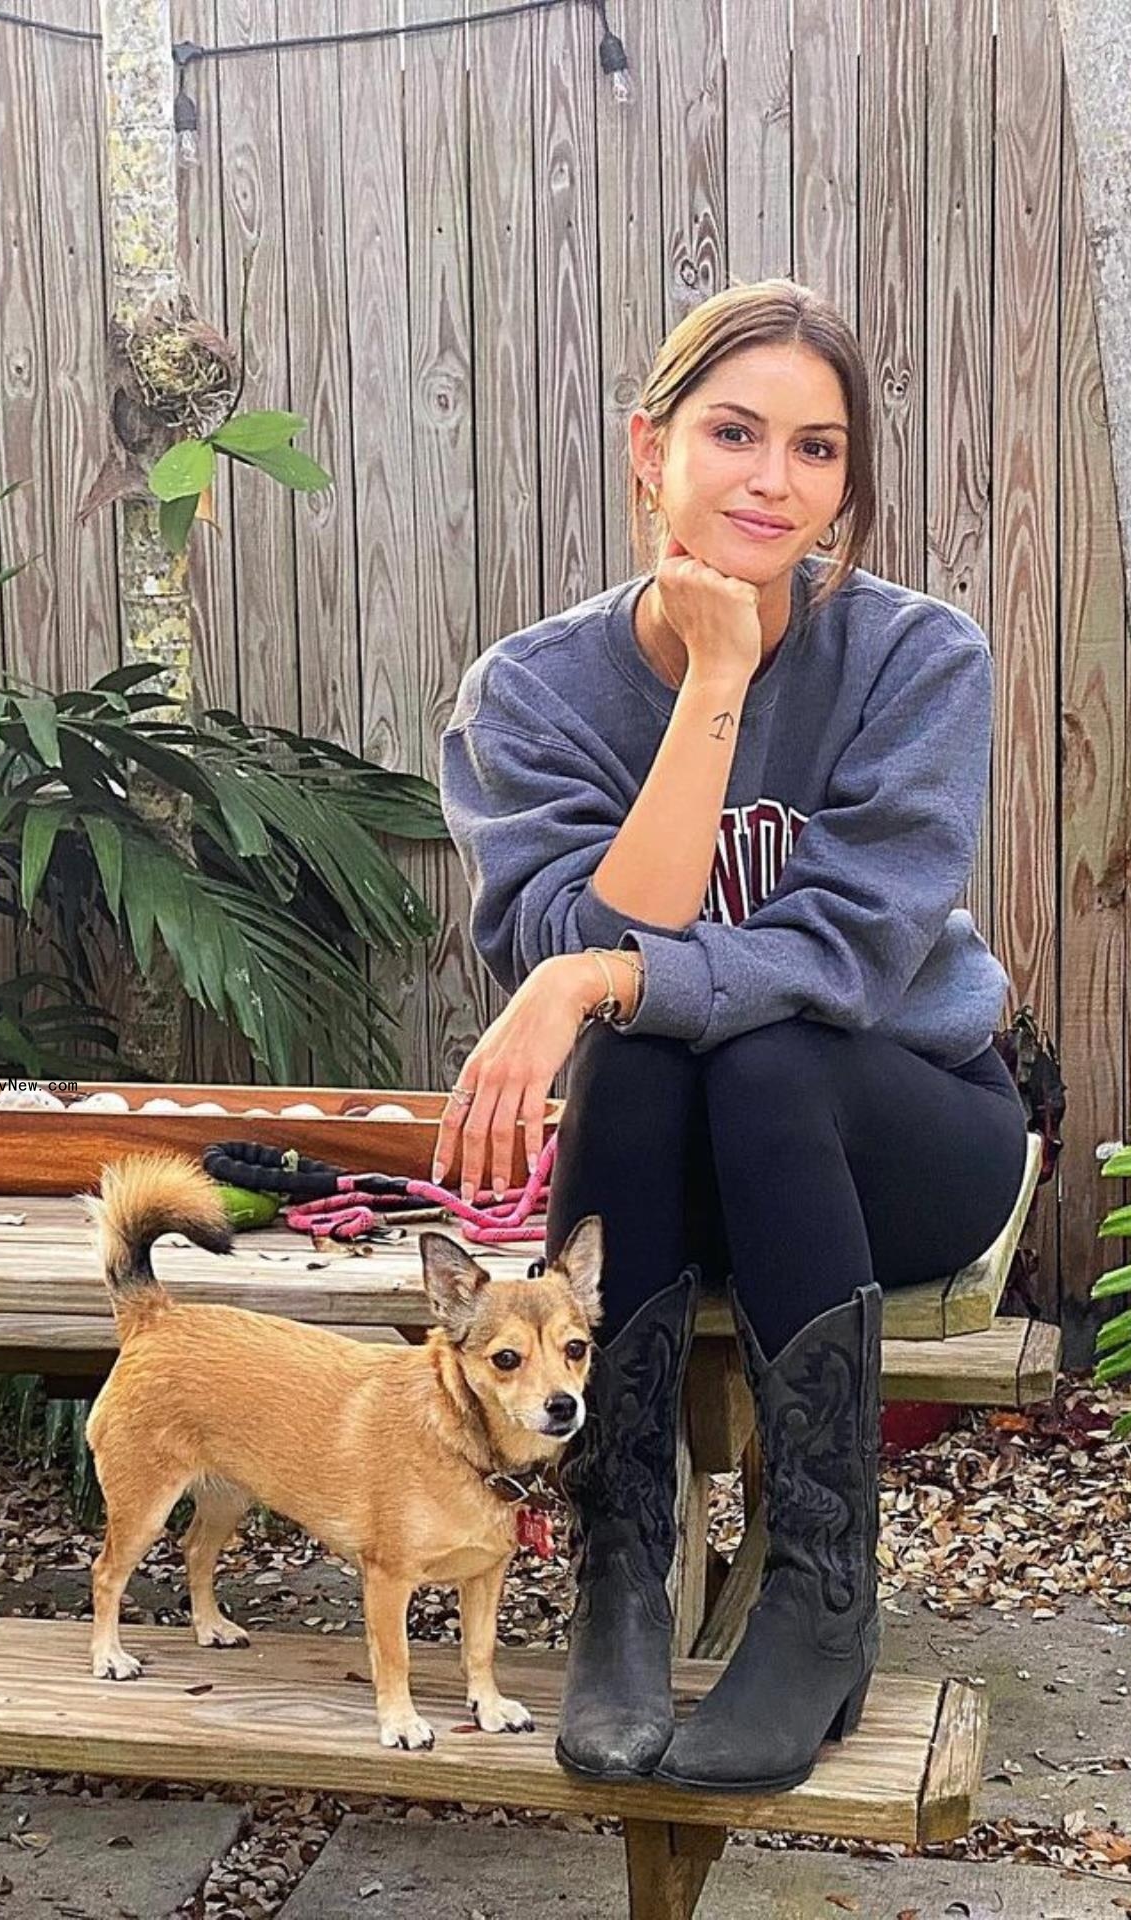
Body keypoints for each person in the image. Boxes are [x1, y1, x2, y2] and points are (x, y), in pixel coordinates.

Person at [431, 278, 1027, 1795]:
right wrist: (713, 678)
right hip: (671, 1166)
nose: (778, 481)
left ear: (850, 480)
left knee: (749, 1048)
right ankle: (622, 1579)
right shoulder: (537, 693)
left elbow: (842, 955)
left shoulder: (918, 660)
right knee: (643, 1055)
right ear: (651, 448)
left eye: (818, 451)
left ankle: (823, 1593)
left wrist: (597, 983)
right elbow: (573, 936)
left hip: (905, 1133)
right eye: (736, 433)